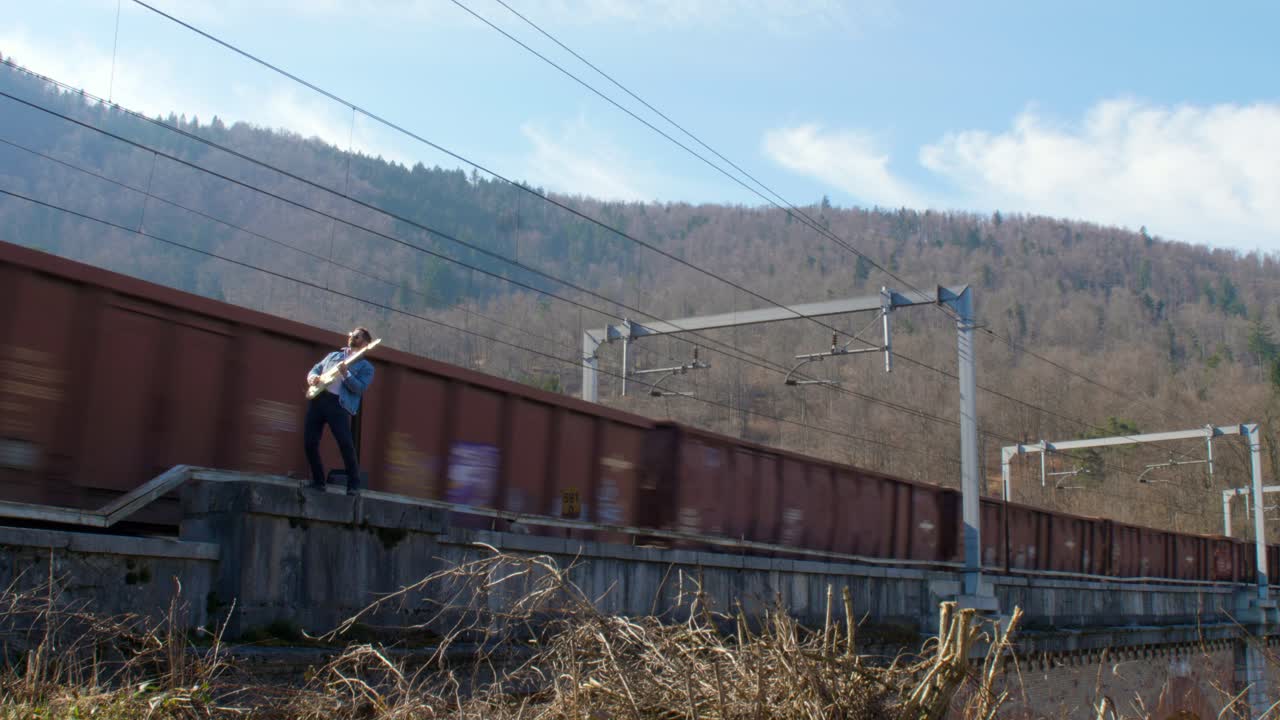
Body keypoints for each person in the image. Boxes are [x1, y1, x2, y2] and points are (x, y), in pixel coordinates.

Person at [304, 327, 375, 495]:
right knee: (309, 442)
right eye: (351, 334)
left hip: (338, 405)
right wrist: (312, 377)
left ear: (365, 343)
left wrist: (346, 374)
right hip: (319, 400)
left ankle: (353, 485)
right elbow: (316, 369)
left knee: (345, 444)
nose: (351, 336)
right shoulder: (333, 356)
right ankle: (318, 481)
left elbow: (359, 388)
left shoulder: (366, 367)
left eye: (356, 336)